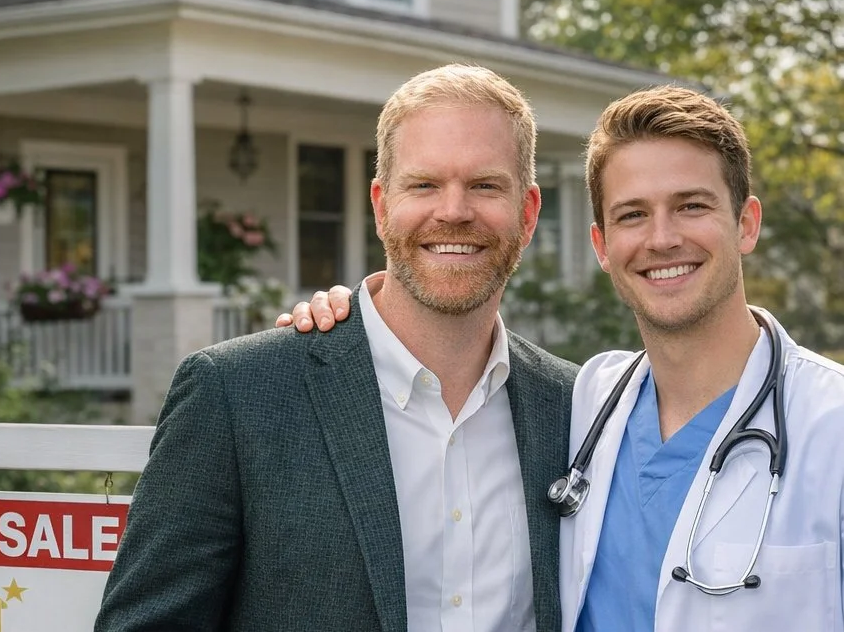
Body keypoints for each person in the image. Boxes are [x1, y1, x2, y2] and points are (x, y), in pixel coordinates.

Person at [284, 85, 844, 632]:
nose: (662, 238)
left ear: (746, 223)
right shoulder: (584, 403)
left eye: (691, 206)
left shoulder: (829, 424)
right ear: (602, 245)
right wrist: (345, 319)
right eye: (631, 215)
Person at [94, 64, 577, 632]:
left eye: (485, 185)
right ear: (380, 205)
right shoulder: (236, 394)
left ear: (527, 212)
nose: (453, 211)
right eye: (423, 185)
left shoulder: (572, 409)